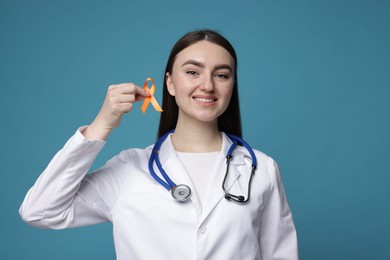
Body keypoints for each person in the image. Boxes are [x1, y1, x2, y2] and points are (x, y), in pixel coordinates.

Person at [20, 29, 299, 260]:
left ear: (231, 85)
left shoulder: (260, 169)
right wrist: (101, 125)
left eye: (222, 75)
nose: (207, 85)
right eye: (192, 72)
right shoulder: (128, 170)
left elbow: (280, 255)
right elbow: (40, 211)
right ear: (169, 83)